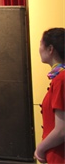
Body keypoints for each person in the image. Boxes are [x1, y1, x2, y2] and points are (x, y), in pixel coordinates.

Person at [34, 27, 65, 163]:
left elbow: (61, 130)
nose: (39, 49)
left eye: (41, 44)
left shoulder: (61, 80)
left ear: (50, 49)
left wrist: (40, 149)